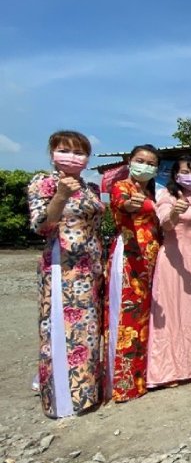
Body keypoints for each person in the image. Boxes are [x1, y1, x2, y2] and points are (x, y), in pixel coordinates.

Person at [27, 131, 104, 418]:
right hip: (64, 267)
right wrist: (60, 195)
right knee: (62, 328)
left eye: (79, 152)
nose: (73, 156)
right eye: (65, 150)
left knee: (88, 332)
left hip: (92, 267)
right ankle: (63, 397)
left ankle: (88, 390)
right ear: (52, 153)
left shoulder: (91, 188)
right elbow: (42, 226)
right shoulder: (43, 182)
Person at [147, 156, 191, 388]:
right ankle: (168, 370)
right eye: (185, 171)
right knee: (173, 313)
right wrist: (175, 211)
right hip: (174, 260)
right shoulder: (168, 196)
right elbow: (165, 223)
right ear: (175, 175)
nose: (190, 176)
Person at [104, 144, 161, 403]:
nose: (145, 166)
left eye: (151, 163)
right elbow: (122, 205)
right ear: (130, 161)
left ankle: (144, 377)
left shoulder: (152, 190)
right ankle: (123, 384)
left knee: (146, 322)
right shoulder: (122, 187)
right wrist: (131, 204)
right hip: (129, 257)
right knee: (127, 319)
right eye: (141, 160)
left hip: (151, 261)